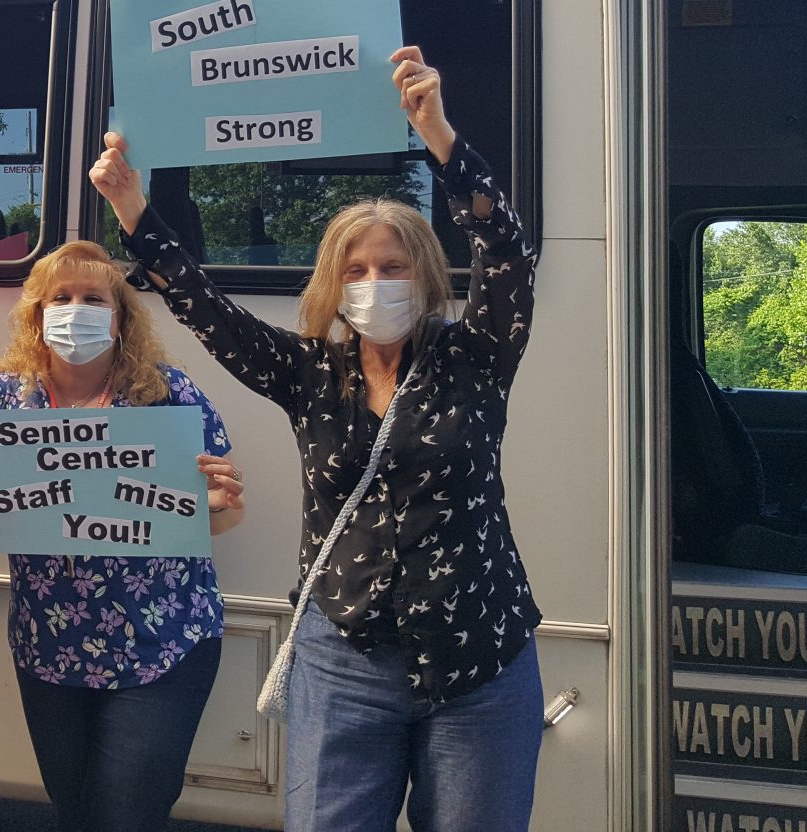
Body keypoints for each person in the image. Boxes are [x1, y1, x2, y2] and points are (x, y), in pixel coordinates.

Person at [90, 48, 543, 832]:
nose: (374, 284)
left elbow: (506, 252)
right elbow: (209, 310)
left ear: (427, 276)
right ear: (334, 285)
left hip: (479, 660)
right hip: (345, 662)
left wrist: (438, 135)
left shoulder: (477, 358)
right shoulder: (309, 372)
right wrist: (133, 212)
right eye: (357, 270)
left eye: (393, 266)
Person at [0, 240, 245, 832]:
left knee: (125, 815)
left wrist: (219, 503)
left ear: (121, 314)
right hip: (47, 647)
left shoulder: (168, 394)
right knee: (74, 810)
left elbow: (223, 517)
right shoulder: (8, 398)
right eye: (62, 297)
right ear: (37, 313)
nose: (76, 308)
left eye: (93, 298)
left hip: (162, 643)